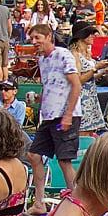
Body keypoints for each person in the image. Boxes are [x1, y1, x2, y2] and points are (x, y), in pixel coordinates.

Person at [28, 25, 84, 190]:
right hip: (49, 116)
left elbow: (76, 85)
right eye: (32, 39)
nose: (34, 42)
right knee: (33, 155)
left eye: (37, 37)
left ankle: (76, 200)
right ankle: (39, 202)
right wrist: (38, 98)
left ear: (48, 37)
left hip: (65, 116)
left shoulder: (63, 54)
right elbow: (52, 87)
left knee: (64, 160)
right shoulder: (42, 60)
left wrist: (68, 115)